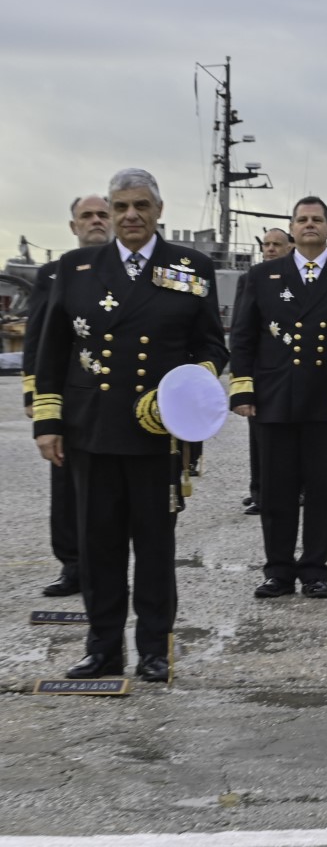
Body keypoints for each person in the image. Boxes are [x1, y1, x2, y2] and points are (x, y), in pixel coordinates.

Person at [31, 169, 227, 681]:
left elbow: (211, 346)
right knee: (98, 545)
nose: (130, 216)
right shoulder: (75, 268)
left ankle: (155, 648)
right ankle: (103, 649)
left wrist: (186, 390)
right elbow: (52, 350)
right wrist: (47, 422)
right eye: (120, 207)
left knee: (155, 547)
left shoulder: (191, 266)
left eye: (140, 205)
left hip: (156, 435)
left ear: (159, 210)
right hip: (91, 428)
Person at [230, 196, 327, 600]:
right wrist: (243, 387)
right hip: (276, 399)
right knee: (277, 490)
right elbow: (244, 337)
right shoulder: (263, 276)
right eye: (302, 220)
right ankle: (278, 571)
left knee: (322, 489)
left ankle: (315, 571)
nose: (310, 225)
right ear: (292, 227)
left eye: (317, 219)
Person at [22, 193, 111, 598]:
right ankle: (73, 566)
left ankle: (113, 565)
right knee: (67, 489)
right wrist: (38, 400)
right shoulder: (53, 274)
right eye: (86, 216)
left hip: (118, 401)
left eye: (101, 215)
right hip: (72, 402)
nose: (95, 221)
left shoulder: (134, 273)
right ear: (73, 226)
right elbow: (39, 340)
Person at [242, 228, 294, 516]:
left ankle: (295, 491)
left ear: (290, 247)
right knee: (259, 441)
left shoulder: (299, 279)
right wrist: (244, 381)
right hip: (266, 377)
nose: (270, 249)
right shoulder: (253, 278)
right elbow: (243, 330)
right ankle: (259, 492)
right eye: (267, 244)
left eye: (277, 244)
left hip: (295, 373)